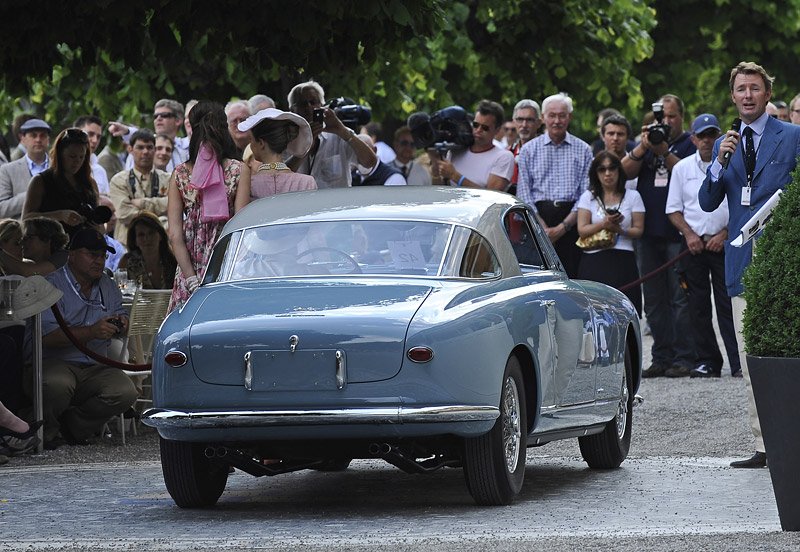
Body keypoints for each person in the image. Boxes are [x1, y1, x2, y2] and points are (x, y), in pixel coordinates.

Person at [699, 61, 800, 469]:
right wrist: (718, 162)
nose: (746, 95)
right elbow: (708, 202)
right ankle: (765, 445)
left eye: (754, 88)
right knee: (749, 357)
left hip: (783, 261)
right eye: (740, 89)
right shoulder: (726, 144)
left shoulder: (792, 136)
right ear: (732, 95)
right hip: (741, 262)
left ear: (766, 93)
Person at [22, 228, 138, 448]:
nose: (99, 261)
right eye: (92, 254)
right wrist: (92, 332)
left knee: (125, 392)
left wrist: (121, 325)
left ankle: (71, 428)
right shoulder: (49, 285)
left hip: (94, 366)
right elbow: (46, 337)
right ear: (71, 255)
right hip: (53, 363)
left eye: (103, 256)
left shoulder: (107, 284)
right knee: (57, 384)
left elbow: (121, 314)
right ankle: (43, 432)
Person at [621, 95, 696, 378]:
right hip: (647, 232)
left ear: (681, 118)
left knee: (679, 297)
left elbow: (690, 174)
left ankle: (684, 357)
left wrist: (664, 151)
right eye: (659, 118)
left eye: (671, 117)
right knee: (653, 299)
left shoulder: (689, 143)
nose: (664, 123)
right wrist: (644, 146)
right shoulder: (645, 144)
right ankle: (661, 356)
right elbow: (622, 172)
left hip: (676, 231)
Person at [666, 114, 740, 379]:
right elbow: (673, 209)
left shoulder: (734, 163)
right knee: (697, 306)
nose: (708, 140)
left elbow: (740, 205)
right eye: (702, 135)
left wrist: (725, 233)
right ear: (693, 138)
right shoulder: (682, 168)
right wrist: (689, 235)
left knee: (729, 304)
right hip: (694, 246)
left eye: (712, 134)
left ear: (719, 135)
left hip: (724, 244)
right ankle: (707, 360)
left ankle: (737, 361)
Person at [167, 100, 242, 312]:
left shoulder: (180, 173)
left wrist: (191, 279)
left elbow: (174, 235)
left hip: (188, 269)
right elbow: (239, 228)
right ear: (223, 128)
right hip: (225, 270)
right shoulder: (238, 170)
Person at [517, 93, 593, 278]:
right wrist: (540, 227)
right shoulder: (528, 150)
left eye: (562, 115)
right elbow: (524, 192)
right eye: (552, 115)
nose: (557, 120)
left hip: (571, 222)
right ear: (543, 118)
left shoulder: (583, 149)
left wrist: (563, 228)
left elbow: (586, 194)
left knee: (571, 279)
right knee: (537, 279)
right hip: (536, 221)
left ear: (570, 117)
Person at [576, 152, 645, 314]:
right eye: (602, 169)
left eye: (612, 168)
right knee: (594, 313)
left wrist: (619, 230)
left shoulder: (633, 196)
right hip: (594, 259)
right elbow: (582, 229)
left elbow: (639, 230)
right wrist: (604, 224)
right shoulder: (588, 197)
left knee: (624, 312)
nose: (607, 173)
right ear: (596, 173)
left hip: (623, 259)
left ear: (619, 171)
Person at [286, 80, 377, 188]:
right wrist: (306, 145)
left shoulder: (339, 134)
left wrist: (342, 130)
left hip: (337, 205)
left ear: (322, 106)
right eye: (302, 104)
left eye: (313, 102)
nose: (308, 107)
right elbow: (281, 179)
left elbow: (370, 162)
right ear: (292, 111)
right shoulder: (284, 140)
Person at [234, 108, 316, 212]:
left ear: (261, 143)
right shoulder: (307, 182)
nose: (251, 145)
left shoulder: (247, 185)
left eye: (252, 140)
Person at [22, 128, 100, 238]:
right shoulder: (41, 181)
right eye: (72, 156)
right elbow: (26, 218)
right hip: (51, 247)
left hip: (84, 247)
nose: (77, 161)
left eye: (81, 157)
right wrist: (59, 215)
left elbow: (98, 220)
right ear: (60, 155)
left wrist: (99, 227)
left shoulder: (90, 183)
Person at [434, 99, 515, 191]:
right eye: (475, 125)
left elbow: (492, 196)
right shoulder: (456, 150)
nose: (478, 130)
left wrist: (455, 176)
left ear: (497, 130)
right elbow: (441, 188)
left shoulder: (503, 157)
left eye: (485, 128)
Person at [108, 129, 169, 246]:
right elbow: (124, 214)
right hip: (128, 245)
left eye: (149, 147)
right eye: (140, 147)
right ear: (130, 149)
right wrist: (160, 215)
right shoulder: (119, 180)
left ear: (155, 150)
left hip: (160, 246)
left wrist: (141, 203)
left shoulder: (167, 179)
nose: (145, 152)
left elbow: (174, 206)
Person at [108, 99, 190, 171]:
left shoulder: (185, 149)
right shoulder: (140, 149)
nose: (158, 118)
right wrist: (127, 131)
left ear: (178, 121)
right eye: (155, 116)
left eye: (164, 115)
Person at [0, 118, 51, 219]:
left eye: (43, 135)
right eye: (33, 135)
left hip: (56, 231)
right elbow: (1, 209)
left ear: (48, 139)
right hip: (22, 231)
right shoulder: (7, 170)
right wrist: (31, 194)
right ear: (22, 138)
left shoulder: (59, 167)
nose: (38, 139)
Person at [119, 212, 176, 290]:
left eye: (151, 233)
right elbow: (120, 291)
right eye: (141, 235)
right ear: (135, 240)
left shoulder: (173, 261)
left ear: (160, 236)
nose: (147, 239)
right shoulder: (126, 262)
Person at [0, 217, 69, 277]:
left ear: (46, 240)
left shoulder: (64, 258)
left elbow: (30, 272)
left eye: (28, 237)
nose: (23, 243)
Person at [508, 99, 541, 195]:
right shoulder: (508, 152)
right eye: (520, 119)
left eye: (529, 120)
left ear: (539, 123)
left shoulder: (548, 153)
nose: (524, 125)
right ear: (514, 122)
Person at [73, 115, 110, 196]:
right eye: (90, 134)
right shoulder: (59, 166)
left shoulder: (100, 171)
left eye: (98, 137)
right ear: (76, 132)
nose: (95, 140)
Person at [601, 114, 638, 190]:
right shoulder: (593, 164)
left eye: (620, 134)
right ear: (603, 137)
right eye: (611, 134)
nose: (615, 138)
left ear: (627, 138)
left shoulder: (636, 166)